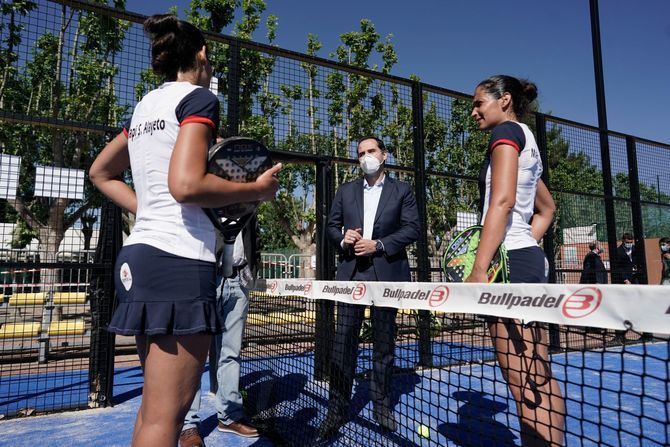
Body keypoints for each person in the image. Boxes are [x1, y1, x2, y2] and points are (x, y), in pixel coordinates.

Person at [89, 14, 280, 446]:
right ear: (202, 56)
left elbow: (100, 172)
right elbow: (187, 185)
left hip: (139, 258)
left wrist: (149, 209)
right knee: (166, 420)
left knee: (154, 412)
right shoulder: (199, 98)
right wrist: (258, 189)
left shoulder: (144, 107)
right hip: (176, 261)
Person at [466, 75, 565, 446]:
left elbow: (503, 202)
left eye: (479, 103)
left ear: (504, 100)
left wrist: (480, 268)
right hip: (524, 259)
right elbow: (547, 209)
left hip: (510, 266)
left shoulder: (505, 132)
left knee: (524, 382)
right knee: (537, 375)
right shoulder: (528, 138)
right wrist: (525, 245)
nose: (473, 111)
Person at [319, 136, 420, 439]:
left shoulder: (402, 190)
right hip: (351, 277)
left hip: (385, 277)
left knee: (384, 345)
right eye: (361, 153)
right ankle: (336, 409)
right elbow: (331, 227)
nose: (365, 157)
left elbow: (412, 228)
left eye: (371, 151)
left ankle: (381, 407)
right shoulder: (346, 190)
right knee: (343, 344)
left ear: (384, 155)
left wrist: (378, 245)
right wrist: (343, 238)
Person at [179, 224, 261, 447]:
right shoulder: (208, 194)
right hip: (204, 277)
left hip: (238, 279)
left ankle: (229, 416)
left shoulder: (247, 198)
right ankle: (188, 424)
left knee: (231, 354)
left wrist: (252, 269)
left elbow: (253, 236)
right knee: (193, 357)